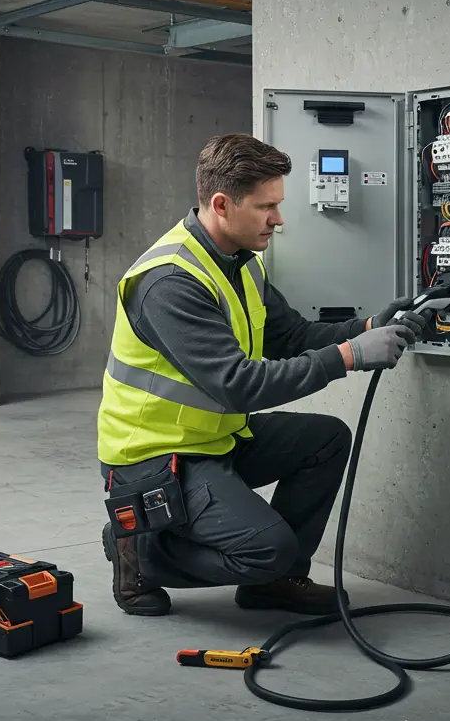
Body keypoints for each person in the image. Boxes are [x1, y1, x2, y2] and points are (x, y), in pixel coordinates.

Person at [97, 133, 426, 617]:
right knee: (267, 548)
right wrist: (350, 355)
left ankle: (273, 585)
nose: (278, 219)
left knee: (326, 440)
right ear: (221, 204)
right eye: (265, 206)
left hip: (213, 439)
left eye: (278, 204)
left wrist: (370, 326)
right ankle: (139, 551)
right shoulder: (169, 283)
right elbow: (238, 385)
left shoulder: (238, 264)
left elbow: (291, 336)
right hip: (153, 456)